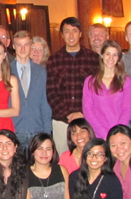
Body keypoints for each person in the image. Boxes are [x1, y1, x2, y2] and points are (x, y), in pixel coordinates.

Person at [46, 17, 99, 154]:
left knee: (89, 156)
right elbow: (51, 92)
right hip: (62, 121)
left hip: (87, 119)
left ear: (80, 34)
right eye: (67, 31)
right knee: (64, 159)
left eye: (74, 31)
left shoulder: (94, 59)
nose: (71, 35)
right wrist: (68, 114)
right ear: (62, 35)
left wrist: (82, 113)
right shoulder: (53, 60)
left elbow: (97, 91)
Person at [10, 31, 52, 151]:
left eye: (26, 45)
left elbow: (45, 103)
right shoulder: (6, 70)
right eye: (19, 45)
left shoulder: (40, 71)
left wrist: (47, 131)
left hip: (37, 130)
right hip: (15, 131)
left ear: (30, 46)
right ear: (13, 46)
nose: (23, 49)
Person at [83, 40, 131, 139]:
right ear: (101, 55)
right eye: (108, 54)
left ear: (119, 58)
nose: (111, 58)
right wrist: (105, 134)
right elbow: (88, 110)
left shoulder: (126, 81)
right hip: (97, 135)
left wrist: (116, 133)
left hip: (119, 135)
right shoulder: (90, 81)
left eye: (115, 55)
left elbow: (127, 110)